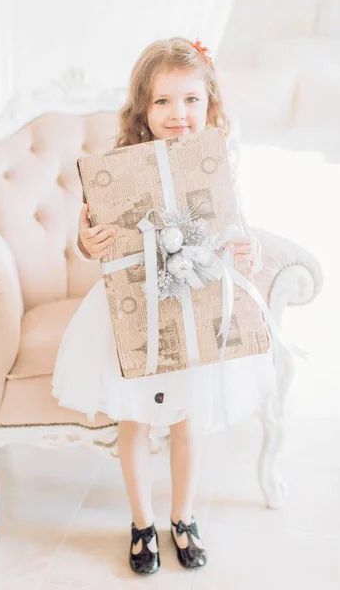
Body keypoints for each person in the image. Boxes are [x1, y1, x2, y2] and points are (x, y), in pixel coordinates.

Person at [52, 37, 275, 575]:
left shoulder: (218, 162)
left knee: (186, 420)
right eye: (163, 102)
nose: (179, 114)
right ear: (143, 111)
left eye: (192, 100)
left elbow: (235, 229)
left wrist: (250, 250)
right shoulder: (120, 169)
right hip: (133, 312)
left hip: (196, 306)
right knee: (134, 421)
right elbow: (88, 244)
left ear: (210, 104)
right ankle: (141, 522)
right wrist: (87, 241)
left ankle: (183, 517)